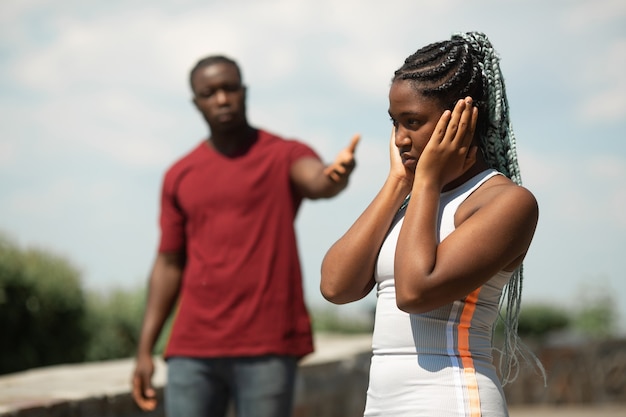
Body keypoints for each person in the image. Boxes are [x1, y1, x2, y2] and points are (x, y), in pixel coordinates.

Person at [321, 32, 541, 416]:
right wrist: (398, 184)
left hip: (452, 398)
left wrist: (425, 181)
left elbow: (415, 291)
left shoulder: (506, 202)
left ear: (463, 119)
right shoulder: (412, 202)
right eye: (395, 123)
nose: (401, 139)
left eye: (413, 122)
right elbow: (336, 286)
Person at [131, 55, 360, 417]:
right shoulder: (180, 174)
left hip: (266, 346)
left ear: (244, 91)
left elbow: (317, 179)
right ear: (196, 103)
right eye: (209, 93)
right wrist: (145, 349)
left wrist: (335, 175)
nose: (222, 99)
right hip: (192, 350)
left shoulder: (283, 154)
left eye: (229, 88)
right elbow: (169, 263)